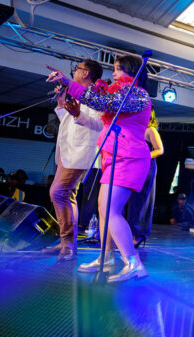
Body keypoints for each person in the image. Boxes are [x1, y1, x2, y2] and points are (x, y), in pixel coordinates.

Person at [47, 54, 152, 283]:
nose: (113, 73)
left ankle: (133, 263)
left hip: (129, 157)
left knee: (110, 210)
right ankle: (106, 258)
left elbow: (103, 103)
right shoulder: (119, 93)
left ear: (131, 71)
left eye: (118, 69)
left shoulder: (138, 94)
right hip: (114, 157)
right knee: (104, 211)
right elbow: (102, 108)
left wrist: (69, 83)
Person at [42, 59, 104, 261]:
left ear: (85, 73)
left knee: (58, 192)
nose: (74, 72)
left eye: (77, 69)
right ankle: (67, 243)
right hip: (67, 152)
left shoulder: (97, 95)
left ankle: (67, 243)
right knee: (67, 196)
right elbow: (68, 121)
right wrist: (61, 101)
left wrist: (78, 114)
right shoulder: (78, 94)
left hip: (79, 153)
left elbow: (99, 125)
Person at [126, 109, 164, 248]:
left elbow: (160, 150)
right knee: (131, 200)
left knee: (141, 200)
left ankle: (139, 234)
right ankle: (129, 232)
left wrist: (142, 156)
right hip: (134, 166)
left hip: (146, 166)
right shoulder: (135, 129)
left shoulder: (151, 130)